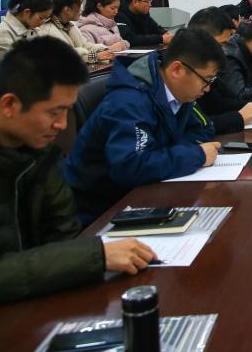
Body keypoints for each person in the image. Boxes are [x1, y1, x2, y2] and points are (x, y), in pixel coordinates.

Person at [0, 37, 156, 334]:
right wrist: (95, 256)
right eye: (54, 112)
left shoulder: (39, 151)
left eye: (67, 111)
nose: (62, 125)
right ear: (9, 104)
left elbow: (64, 237)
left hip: (31, 308)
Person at [64, 29, 225, 224]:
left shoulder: (180, 92)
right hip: (102, 209)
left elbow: (203, 128)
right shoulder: (129, 100)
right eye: (206, 80)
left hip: (148, 190)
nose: (208, 88)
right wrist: (195, 155)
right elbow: (130, 166)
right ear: (177, 70)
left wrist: (169, 155)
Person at [187, 7, 252, 135]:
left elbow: (217, 103)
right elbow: (194, 127)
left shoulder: (207, 66)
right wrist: (238, 118)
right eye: (221, 44)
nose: (223, 51)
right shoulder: (185, 72)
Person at [38, 0, 125, 64]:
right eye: (79, 7)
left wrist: (105, 50)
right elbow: (65, 56)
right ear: (67, 10)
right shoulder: (49, 30)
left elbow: (85, 45)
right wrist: (96, 56)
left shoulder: (70, 26)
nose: (81, 10)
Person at [0, 0, 53, 64]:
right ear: (27, 12)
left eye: (46, 19)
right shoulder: (3, 34)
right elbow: (16, 67)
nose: (43, 22)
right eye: (41, 18)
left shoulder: (32, 29)